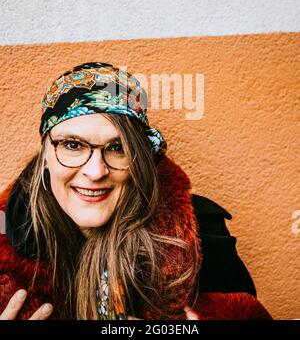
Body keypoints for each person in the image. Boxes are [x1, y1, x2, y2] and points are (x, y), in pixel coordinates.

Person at [0, 62, 272, 320]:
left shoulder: (200, 232)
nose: (95, 172)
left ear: (139, 159)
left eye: (118, 148)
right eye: (73, 145)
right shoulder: (4, 240)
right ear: (45, 153)